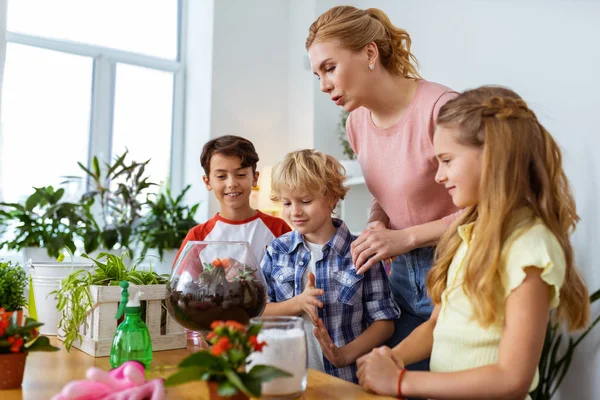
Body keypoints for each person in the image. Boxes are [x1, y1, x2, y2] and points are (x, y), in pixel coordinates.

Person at [355, 86, 590, 399]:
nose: (439, 176)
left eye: (447, 160)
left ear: (492, 156)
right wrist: (393, 359)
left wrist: (399, 383)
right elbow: (435, 325)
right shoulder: (466, 234)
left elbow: (512, 378)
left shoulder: (530, 247)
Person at [306, 5, 460, 362]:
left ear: (370, 53)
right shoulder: (357, 123)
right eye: (317, 75)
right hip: (401, 278)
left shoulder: (442, 109)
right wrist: (378, 222)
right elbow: (386, 194)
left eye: (330, 68)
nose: (325, 85)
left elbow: (491, 208)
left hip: (457, 271)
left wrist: (405, 237)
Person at [261, 149, 400, 383]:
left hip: (346, 382)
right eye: (287, 202)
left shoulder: (361, 252)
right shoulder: (277, 251)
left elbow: (384, 322)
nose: (295, 212)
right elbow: (258, 313)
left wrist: (344, 355)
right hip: (285, 380)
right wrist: (297, 303)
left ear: (332, 197)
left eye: (305, 201)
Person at [174, 134, 291, 267]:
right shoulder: (197, 237)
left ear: (255, 178)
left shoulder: (279, 229)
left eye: (241, 175)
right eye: (221, 176)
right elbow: (181, 284)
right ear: (207, 182)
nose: (232, 183)